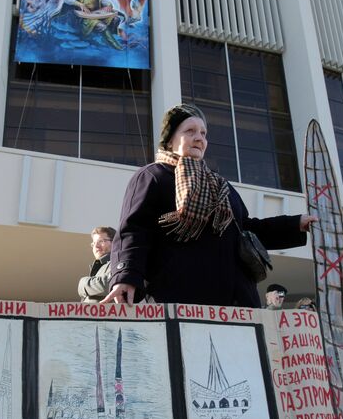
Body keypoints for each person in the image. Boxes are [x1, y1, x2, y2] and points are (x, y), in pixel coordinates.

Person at [102, 103, 316, 307]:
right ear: (169, 140)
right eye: (190, 131)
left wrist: (296, 224)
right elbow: (134, 230)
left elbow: (247, 229)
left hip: (237, 303)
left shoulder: (221, 185)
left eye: (203, 133)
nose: (199, 138)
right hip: (180, 300)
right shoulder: (153, 176)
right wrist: (125, 276)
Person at [78, 227, 116, 303]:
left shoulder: (117, 261)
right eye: (94, 243)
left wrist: (83, 283)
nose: (96, 246)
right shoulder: (99, 266)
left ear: (115, 243)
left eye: (101, 241)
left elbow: (112, 283)